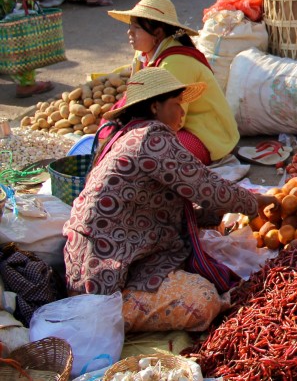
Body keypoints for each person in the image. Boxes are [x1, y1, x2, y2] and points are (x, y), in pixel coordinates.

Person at [64, 68, 275, 331]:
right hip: (106, 278)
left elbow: (171, 206)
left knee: (207, 258)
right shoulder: (151, 138)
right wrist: (255, 202)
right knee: (204, 300)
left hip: (99, 261)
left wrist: (217, 214)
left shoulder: (129, 135)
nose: (182, 113)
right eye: (176, 105)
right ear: (155, 106)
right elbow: (205, 186)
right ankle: (107, 316)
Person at [108, 0, 240, 164]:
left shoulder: (176, 62)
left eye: (136, 27)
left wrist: (133, 132)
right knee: (124, 143)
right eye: (130, 26)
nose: (130, 32)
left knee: (154, 153)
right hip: (168, 125)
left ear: (157, 32)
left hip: (205, 134)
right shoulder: (143, 55)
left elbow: (173, 121)